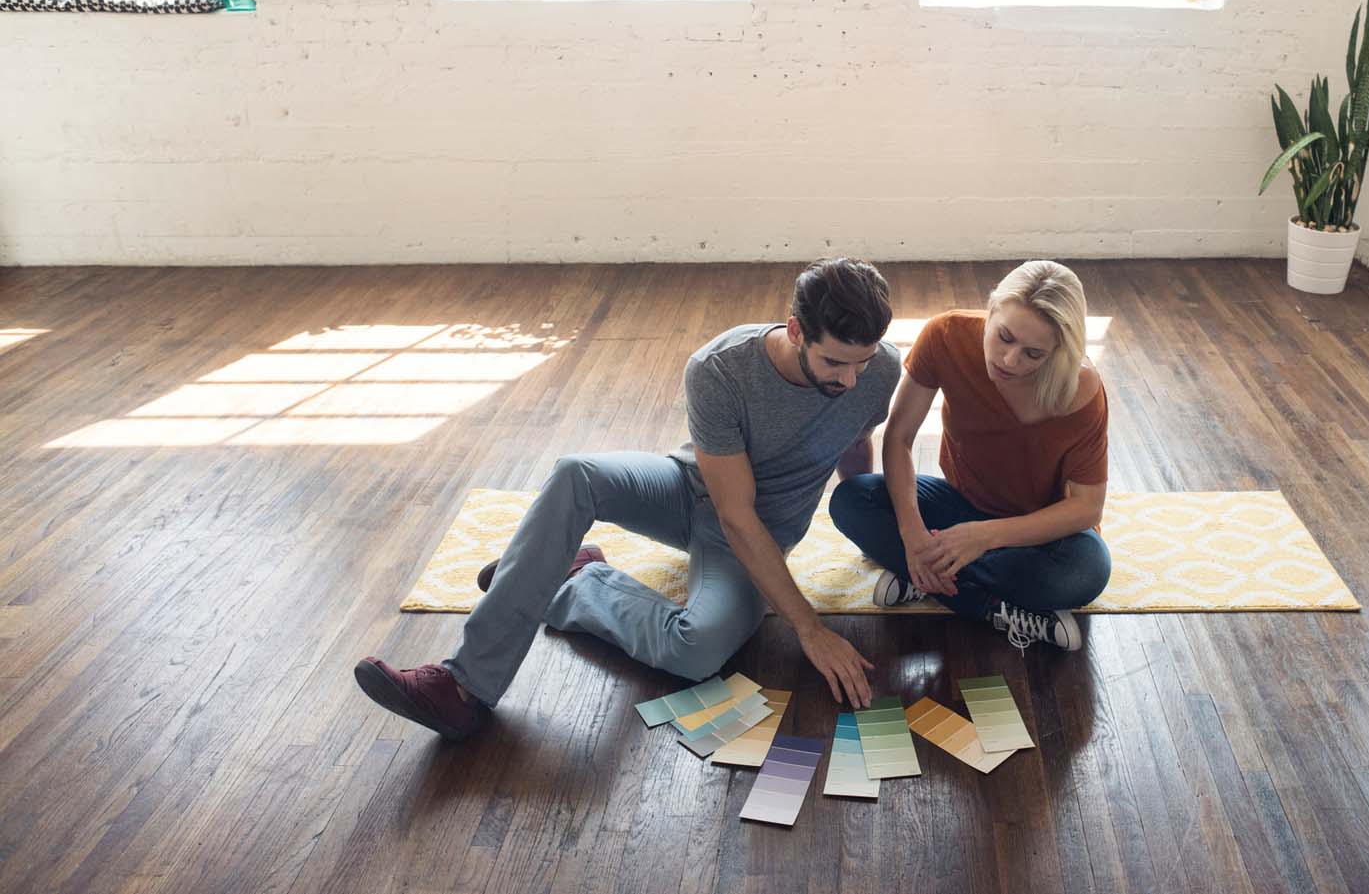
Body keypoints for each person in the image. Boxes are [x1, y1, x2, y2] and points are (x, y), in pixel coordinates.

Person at [356, 257, 901, 739]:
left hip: (760, 529)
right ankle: (462, 686)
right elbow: (732, 511)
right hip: (694, 491)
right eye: (835, 363)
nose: (852, 379)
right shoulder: (721, 369)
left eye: (862, 362)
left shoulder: (878, 371)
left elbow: (857, 439)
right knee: (576, 474)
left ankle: (572, 579)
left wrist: (869, 527)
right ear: (796, 330)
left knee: (696, 650)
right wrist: (810, 627)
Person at [829, 260, 1110, 652]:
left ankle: (927, 579)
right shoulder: (946, 334)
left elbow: (1085, 509)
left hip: (1034, 532)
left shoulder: (1081, 390)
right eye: (1004, 337)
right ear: (991, 310)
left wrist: (984, 537)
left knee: (1089, 570)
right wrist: (912, 537)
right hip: (960, 507)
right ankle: (991, 605)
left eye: (1033, 354)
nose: (1010, 360)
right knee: (851, 499)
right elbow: (899, 439)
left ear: (1059, 351)